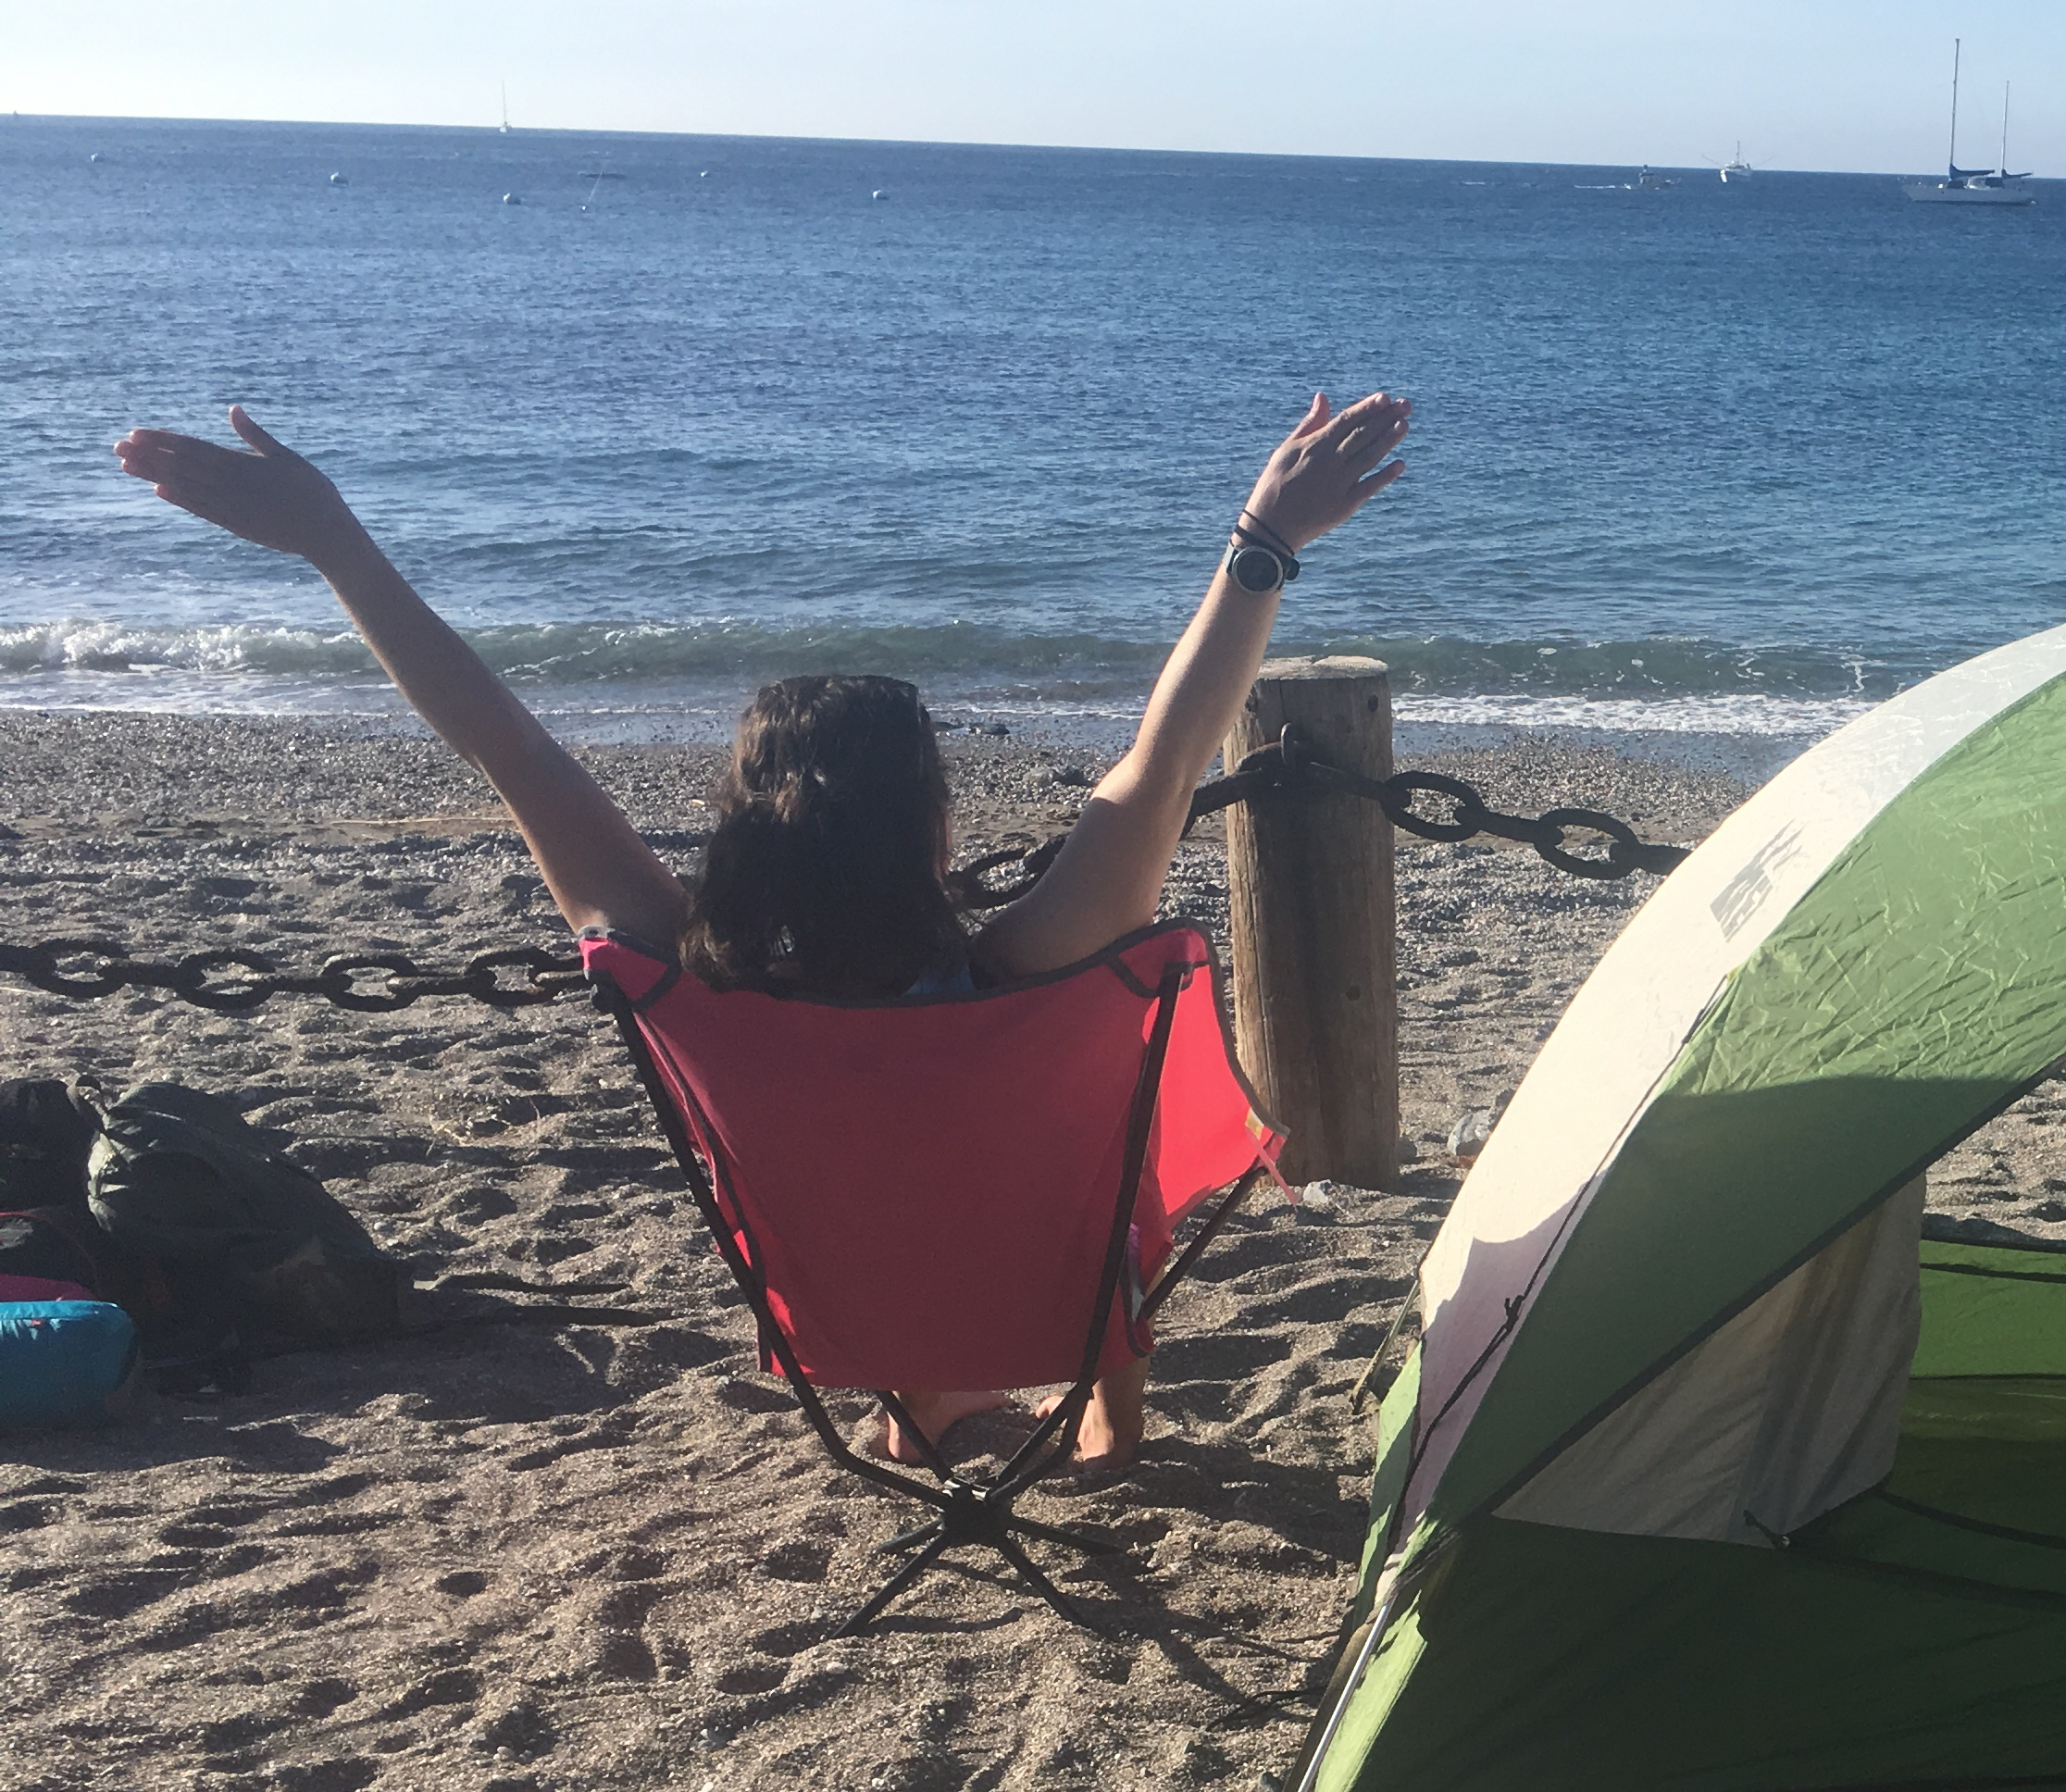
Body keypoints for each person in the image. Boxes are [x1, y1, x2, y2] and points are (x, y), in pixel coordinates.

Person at [111, 392, 1411, 1471]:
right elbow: (1171, 749)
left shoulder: (694, 989)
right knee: (1099, 1133)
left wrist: (336, 544)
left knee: (897, 1185)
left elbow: (508, 745)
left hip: (845, 1320)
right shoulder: (1027, 966)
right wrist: (1263, 539)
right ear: (933, 830)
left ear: (742, 826)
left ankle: (918, 1402)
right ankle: (1107, 1434)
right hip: (1059, 1307)